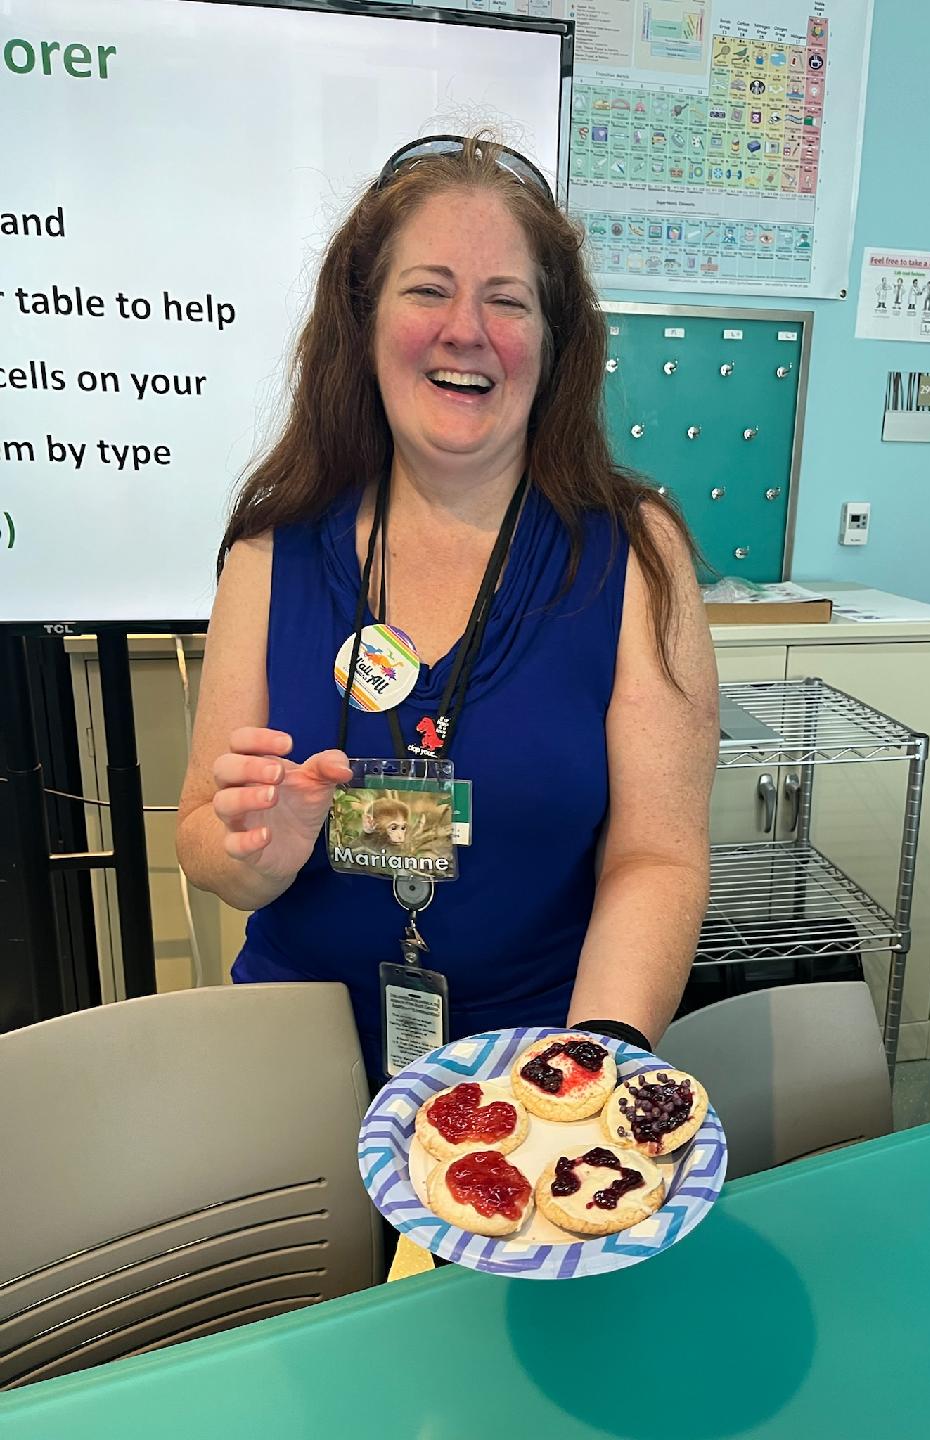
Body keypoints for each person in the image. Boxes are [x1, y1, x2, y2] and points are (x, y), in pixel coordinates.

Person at [176, 134, 718, 1092]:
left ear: (552, 342)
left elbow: (657, 856)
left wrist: (586, 1067)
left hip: (538, 1067)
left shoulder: (635, 554)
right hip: (294, 1062)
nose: (466, 329)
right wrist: (257, 854)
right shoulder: (269, 553)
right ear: (364, 323)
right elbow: (202, 839)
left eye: (507, 301)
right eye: (428, 290)